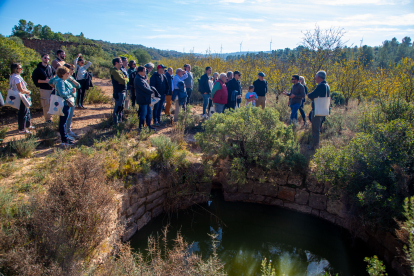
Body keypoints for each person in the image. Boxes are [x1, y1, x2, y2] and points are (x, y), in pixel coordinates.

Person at [49, 64, 81, 140]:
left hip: (70, 100)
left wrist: (70, 79)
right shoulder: (60, 80)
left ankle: (67, 134)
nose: (71, 71)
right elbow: (62, 93)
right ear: (64, 72)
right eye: (70, 70)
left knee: (67, 118)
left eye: (73, 69)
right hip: (65, 102)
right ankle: (65, 137)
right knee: (63, 121)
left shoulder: (67, 78)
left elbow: (78, 86)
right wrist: (69, 90)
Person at [307, 70, 330, 150]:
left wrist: (308, 94)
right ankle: (317, 145)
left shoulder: (321, 86)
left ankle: (315, 147)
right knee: (318, 128)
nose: (315, 78)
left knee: (315, 130)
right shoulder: (327, 85)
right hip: (324, 110)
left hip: (318, 110)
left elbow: (312, 95)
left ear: (319, 77)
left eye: (316, 76)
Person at [55, 67, 77, 146]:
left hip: (65, 104)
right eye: (67, 73)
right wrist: (71, 91)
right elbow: (62, 93)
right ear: (63, 74)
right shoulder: (60, 82)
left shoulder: (62, 81)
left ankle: (65, 138)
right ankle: (64, 140)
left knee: (63, 122)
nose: (69, 74)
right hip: (63, 104)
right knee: (63, 123)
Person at [10, 63, 34, 134]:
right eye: (20, 68)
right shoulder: (17, 78)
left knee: (27, 111)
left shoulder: (12, 76)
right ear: (15, 69)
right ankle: (22, 129)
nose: (21, 69)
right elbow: (21, 90)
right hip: (21, 96)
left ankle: (28, 125)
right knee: (23, 112)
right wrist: (28, 91)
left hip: (19, 96)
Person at [32, 53, 56, 123]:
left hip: (52, 88)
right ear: (42, 58)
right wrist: (45, 81)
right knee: (46, 104)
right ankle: (47, 119)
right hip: (44, 89)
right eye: (45, 58)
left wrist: (53, 79)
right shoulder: (38, 69)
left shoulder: (50, 67)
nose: (47, 59)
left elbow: (54, 73)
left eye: (48, 58)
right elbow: (35, 80)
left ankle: (51, 117)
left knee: (52, 103)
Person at [135, 66, 155, 130]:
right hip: (142, 99)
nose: (145, 72)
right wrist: (151, 92)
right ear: (140, 72)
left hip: (147, 99)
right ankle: (141, 127)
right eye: (144, 71)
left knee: (149, 113)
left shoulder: (143, 78)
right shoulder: (138, 79)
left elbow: (147, 87)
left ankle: (148, 126)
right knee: (143, 113)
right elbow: (144, 88)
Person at [110, 57, 129, 124]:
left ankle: (120, 121)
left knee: (121, 108)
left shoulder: (119, 70)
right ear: (116, 63)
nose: (122, 63)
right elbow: (123, 81)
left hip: (122, 92)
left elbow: (126, 79)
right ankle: (116, 122)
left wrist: (125, 79)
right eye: (120, 62)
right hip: (119, 92)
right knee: (118, 108)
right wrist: (124, 80)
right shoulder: (114, 71)